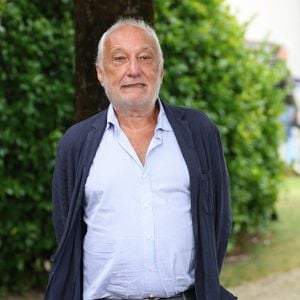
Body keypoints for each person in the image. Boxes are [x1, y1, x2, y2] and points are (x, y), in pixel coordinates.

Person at [45, 18, 236, 300]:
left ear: (160, 70)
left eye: (145, 57)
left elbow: (218, 221)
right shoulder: (76, 143)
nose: (133, 70)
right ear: (100, 73)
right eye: (119, 58)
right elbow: (66, 228)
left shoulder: (199, 131)